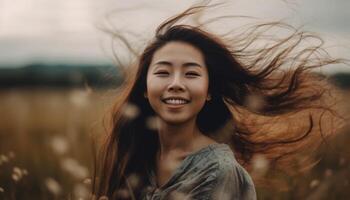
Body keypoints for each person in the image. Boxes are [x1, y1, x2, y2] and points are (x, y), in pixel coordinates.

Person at [92, 3, 345, 200]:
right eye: (163, 72)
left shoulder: (218, 172)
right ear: (145, 88)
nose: (176, 83)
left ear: (209, 90)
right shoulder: (139, 154)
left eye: (191, 73)